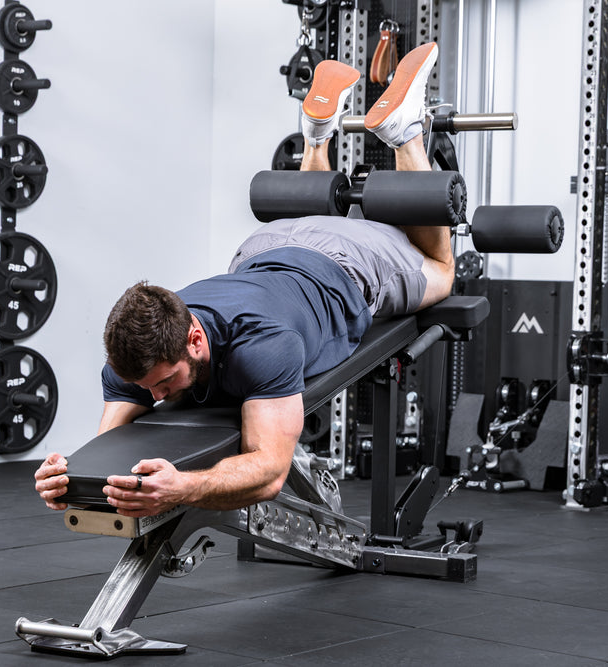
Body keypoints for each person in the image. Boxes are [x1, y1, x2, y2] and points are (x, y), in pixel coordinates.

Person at [34, 43, 453, 518]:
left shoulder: (263, 347)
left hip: (341, 258)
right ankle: (317, 137)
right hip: (265, 247)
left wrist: (183, 487)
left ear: (194, 337)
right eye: (148, 388)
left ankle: (403, 135)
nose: (155, 398)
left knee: (440, 272)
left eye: (165, 383)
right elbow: (109, 452)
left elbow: (270, 471)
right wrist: (70, 478)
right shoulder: (137, 358)